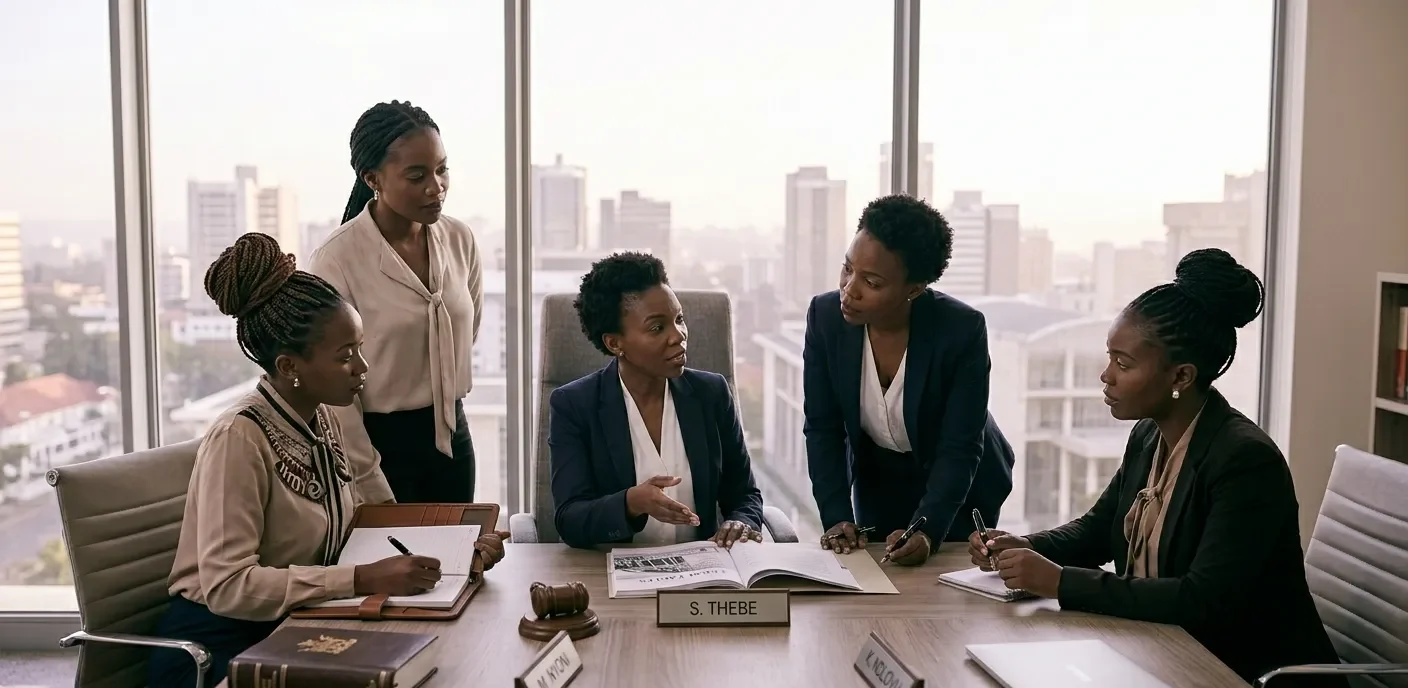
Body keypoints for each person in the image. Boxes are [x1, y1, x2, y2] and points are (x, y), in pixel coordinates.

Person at [969, 249, 1343, 687]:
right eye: (1110, 357)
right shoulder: (1150, 435)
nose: (1106, 376)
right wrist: (1026, 546)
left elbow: (1202, 601)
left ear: (1181, 377)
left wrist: (1060, 582)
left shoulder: (1245, 462)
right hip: (1159, 651)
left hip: (1240, 671)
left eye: (1123, 364)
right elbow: (1098, 529)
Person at [147, 234, 507, 688]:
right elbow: (228, 587)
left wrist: (455, 555)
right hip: (220, 651)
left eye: (359, 348)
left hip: (300, 627)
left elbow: (359, 525)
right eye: (345, 357)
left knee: (448, 659)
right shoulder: (239, 438)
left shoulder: (321, 417)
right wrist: (359, 579)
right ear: (289, 366)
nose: (362, 367)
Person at [805, 194, 1015, 566]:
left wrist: (929, 529)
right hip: (879, 478)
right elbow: (823, 428)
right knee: (878, 581)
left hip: (960, 486)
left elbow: (960, 447)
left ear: (914, 289)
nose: (849, 289)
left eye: (871, 281)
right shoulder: (825, 318)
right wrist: (836, 516)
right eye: (847, 269)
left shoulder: (961, 331)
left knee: (944, 595)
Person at [308, 100, 484, 503]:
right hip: (380, 448)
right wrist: (365, 472)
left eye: (442, 170)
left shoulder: (460, 240)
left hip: (453, 437)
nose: (435, 186)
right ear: (374, 178)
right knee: (392, 564)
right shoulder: (337, 258)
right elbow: (334, 384)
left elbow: (463, 331)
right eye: (417, 175)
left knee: (460, 563)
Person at [548, 252, 766, 549]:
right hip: (610, 575)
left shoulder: (710, 393)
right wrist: (630, 503)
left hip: (702, 573)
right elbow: (569, 520)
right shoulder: (574, 405)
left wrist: (741, 521)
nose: (678, 336)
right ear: (615, 343)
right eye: (657, 328)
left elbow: (744, 494)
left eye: (679, 319)